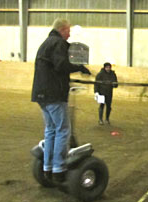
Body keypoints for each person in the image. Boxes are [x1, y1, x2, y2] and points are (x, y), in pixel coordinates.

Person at [31, 18, 92, 182]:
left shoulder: (46, 43)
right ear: (62, 29)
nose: (70, 34)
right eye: (68, 30)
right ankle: (59, 168)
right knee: (63, 130)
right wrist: (79, 67)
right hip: (54, 94)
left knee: (50, 130)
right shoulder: (58, 43)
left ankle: (48, 167)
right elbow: (61, 66)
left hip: (41, 94)